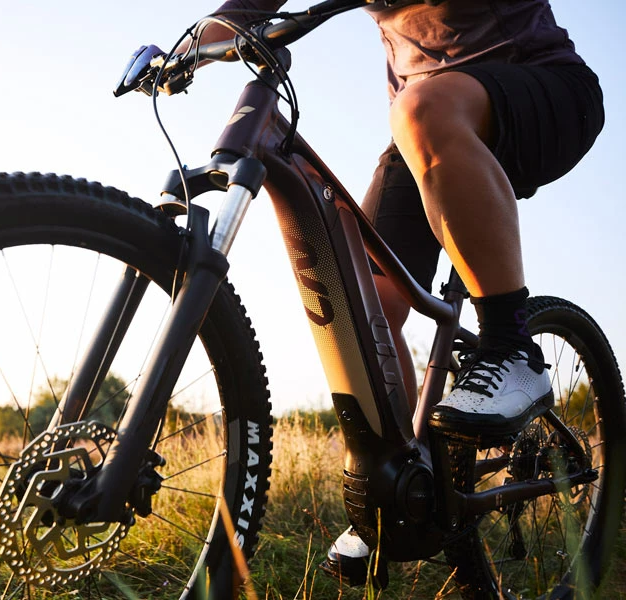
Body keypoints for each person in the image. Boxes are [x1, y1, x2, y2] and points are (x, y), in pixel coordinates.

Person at [189, 0, 605, 586]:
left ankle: (512, 347)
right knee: (365, 312)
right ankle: (405, 487)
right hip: (424, 124)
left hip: (542, 85)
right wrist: (201, 39)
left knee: (420, 111)